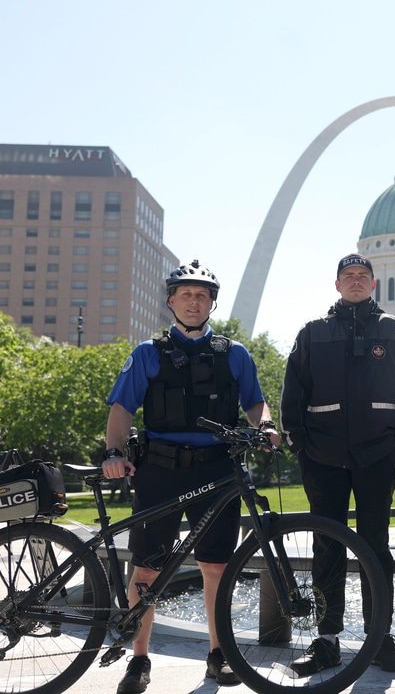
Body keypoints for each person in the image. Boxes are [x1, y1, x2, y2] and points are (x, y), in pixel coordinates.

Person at [102, 260, 277, 694]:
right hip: (159, 470)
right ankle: (139, 660)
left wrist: (267, 427)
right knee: (145, 568)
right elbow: (121, 409)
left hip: (218, 469)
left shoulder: (236, 354)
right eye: (186, 294)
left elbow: (256, 404)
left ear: (212, 302)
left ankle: (219, 656)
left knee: (216, 567)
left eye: (202, 295)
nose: (194, 301)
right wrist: (112, 452)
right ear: (171, 301)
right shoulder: (146, 353)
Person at [279, 253, 395, 675]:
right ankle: (327, 640)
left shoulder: (393, 330)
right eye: (348, 276)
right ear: (336, 284)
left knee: (375, 545)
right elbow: (293, 394)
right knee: (327, 546)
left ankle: (379, 638)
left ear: (374, 285)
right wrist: (301, 445)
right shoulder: (313, 332)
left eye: (363, 276)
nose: (356, 282)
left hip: (377, 456)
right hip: (322, 457)